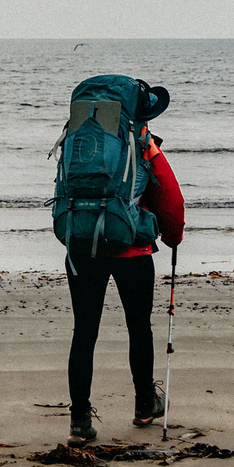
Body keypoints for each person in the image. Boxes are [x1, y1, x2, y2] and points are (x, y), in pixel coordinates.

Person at [65, 121, 184, 441]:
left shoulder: (79, 135)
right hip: (132, 249)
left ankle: (79, 421)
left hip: (82, 246)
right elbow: (170, 197)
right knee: (139, 327)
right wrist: (173, 237)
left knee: (84, 331)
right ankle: (145, 405)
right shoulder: (142, 140)